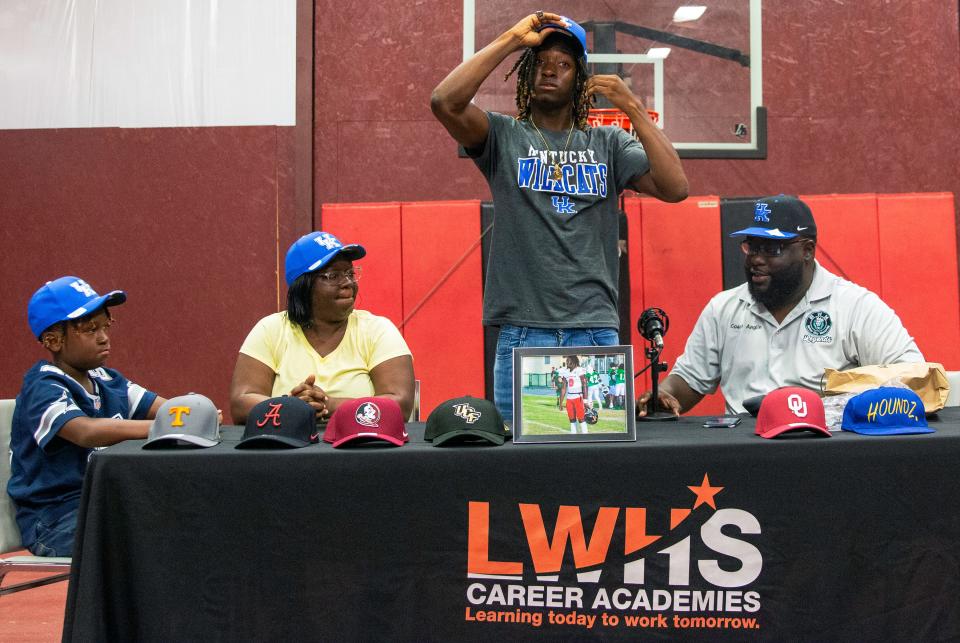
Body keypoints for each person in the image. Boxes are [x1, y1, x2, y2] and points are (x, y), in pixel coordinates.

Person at [430, 11, 688, 425]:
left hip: (594, 328)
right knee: (520, 467)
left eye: (564, 64)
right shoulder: (503, 136)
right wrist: (512, 40)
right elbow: (444, 101)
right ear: (527, 74)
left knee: (596, 462)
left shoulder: (608, 142)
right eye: (541, 62)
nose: (550, 70)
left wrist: (635, 110)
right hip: (522, 330)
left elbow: (675, 188)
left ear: (581, 79)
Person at [637, 195, 925, 416]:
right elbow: (689, 381)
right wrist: (663, 394)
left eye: (771, 249)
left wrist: (839, 405)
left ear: (807, 251)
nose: (756, 259)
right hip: (741, 449)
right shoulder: (723, 308)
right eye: (752, 246)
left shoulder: (856, 307)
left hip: (823, 445)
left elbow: (914, 377)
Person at [8, 276, 164, 557]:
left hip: (102, 507)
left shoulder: (107, 380)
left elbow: (162, 407)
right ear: (53, 340)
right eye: (91, 329)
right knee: (140, 549)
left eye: (106, 326)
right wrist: (163, 426)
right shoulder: (42, 386)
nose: (104, 337)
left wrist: (191, 410)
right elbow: (85, 431)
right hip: (55, 520)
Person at [230, 231, 415, 424]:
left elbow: (399, 405)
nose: (348, 283)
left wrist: (328, 404)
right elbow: (241, 403)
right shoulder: (271, 329)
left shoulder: (377, 330)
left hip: (360, 449)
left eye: (350, 273)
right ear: (303, 286)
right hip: (285, 450)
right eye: (333, 276)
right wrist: (290, 408)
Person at [558, 355, 588, 433]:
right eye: (566, 360)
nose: (567, 362)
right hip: (569, 398)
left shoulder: (579, 370)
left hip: (578, 397)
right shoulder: (566, 372)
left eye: (568, 360)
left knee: (581, 419)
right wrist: (560, 403)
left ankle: (586, 438)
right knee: (572, 420)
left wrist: (585, 401)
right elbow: (563, 388)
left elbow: (584, 384)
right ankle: (574, 437)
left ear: (574, 361)